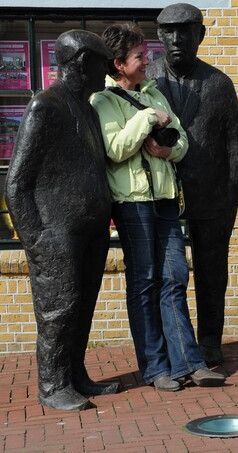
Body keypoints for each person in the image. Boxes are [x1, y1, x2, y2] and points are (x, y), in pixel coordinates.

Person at [90, 23, 225, 391]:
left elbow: (181, 140)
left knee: (175, 277)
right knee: (145, 282)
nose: (148, 59)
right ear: (119, 63)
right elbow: (115, 149)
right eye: (139, 55)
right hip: (132, 204)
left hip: (165, 198)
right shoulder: (102, 101)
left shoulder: (154, 91)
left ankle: (190, 362)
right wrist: (147, 118)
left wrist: (168, 150)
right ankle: (156, 368)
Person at [6, 29, 120, 411]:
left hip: (90, 230)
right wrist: (35, 239)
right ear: (84, 63)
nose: (106, 73)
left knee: (83, 305)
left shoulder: (86, 108)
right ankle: (53, 386)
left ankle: (75, 374)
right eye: (102, 64)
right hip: (56, 235)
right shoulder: (46, 106)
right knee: (59, 310)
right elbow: (17, 183)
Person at [147, 3, 238, 365]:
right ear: (159, 36)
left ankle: (209, 340)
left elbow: (237, 145)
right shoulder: (149, 79)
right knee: (166, 273)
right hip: (161, 192)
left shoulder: (218, 84)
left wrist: (230, 199)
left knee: (211, 271)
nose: (177, 39)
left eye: (186, 31)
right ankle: (173, 345)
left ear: (200, 35)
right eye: (169, 32)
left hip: (210, 194)